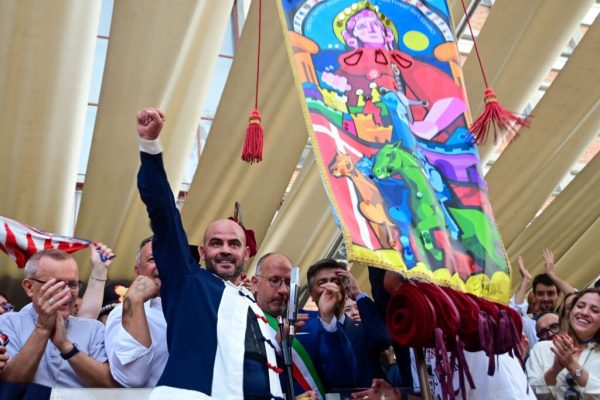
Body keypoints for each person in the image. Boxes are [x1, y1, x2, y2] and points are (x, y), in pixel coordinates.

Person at [135, 108, 283, 399]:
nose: (225, 250)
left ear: (246, 253)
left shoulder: (251, 302)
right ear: (202, 251)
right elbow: (164, 214)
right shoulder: (187, 281)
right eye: (216, 243)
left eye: (233, 244)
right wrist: (150, 147)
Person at [0, 249, 117, 388]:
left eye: (73, 284)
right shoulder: (8, 323)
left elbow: (110, 387)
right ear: (29, 287)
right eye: (56, 284)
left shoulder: (94, 329)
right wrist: (42, 330)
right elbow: (10, 382)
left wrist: (66, 346)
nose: (67, 293)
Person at [104, 236, 168, 388]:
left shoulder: (198, 306)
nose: (162, 264)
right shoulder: (123, 312)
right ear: (138, 271)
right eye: (152, 259)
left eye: (168, 257)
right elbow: (132, 376)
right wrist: (134, 301)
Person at [526, 288, 600, 398]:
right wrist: (554, 371)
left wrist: (572, 365)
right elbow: (530, 394)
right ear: (570, 312)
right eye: (580, 306)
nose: (584, 312)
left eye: (594, 310)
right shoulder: (542, 349)